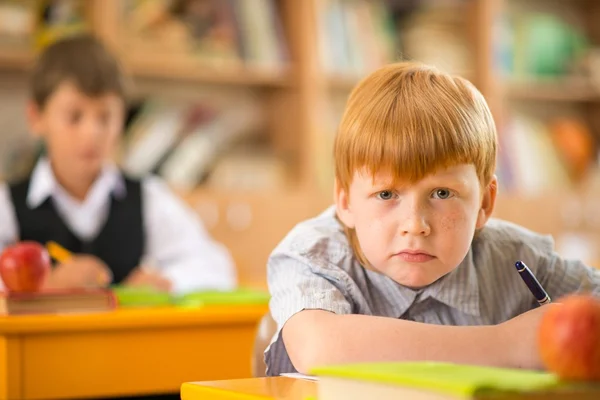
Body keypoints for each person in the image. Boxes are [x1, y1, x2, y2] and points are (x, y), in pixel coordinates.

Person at [264, 61, 600, 376]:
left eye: (441, 194)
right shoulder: (313, 256)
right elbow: (321, 348)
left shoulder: (521, 258)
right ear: (345, 201)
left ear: (485, 201)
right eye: (386, 194)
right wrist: (512, 343)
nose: (415, 224)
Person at [0, 34, 236, 294]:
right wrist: (44, 285)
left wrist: (166, 280)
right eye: (74, 116)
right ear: (36, 118)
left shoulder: (148, 196)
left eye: (105, 117)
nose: (92, 133)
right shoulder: (7, 206)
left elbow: (217, 267)